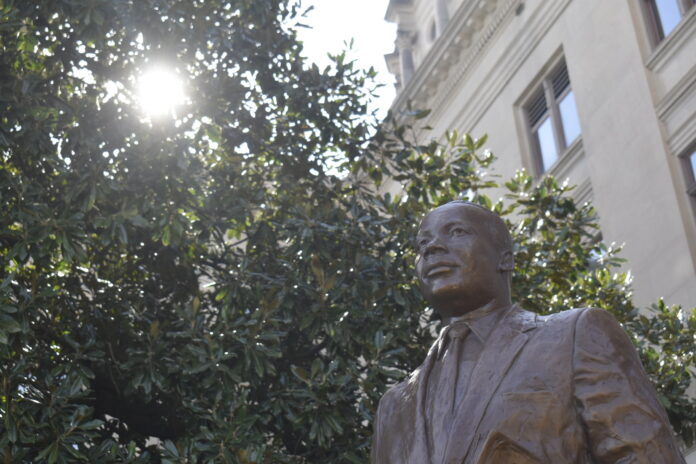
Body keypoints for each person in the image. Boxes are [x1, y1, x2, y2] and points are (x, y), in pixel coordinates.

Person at [371, 201, 685, 463]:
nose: (432, 248)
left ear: (505, 259)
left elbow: (646, 455)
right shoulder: (395, 406)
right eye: (422, 245)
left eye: (456, 232)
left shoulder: (574, 335)